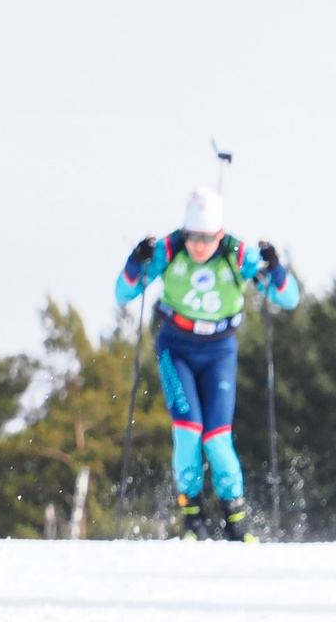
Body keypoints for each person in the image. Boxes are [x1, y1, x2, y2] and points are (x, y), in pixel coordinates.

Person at [115, 188, 301, 541]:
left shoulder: (236, 254)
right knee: (188, 430)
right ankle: (193, 520)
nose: (198, 246)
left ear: (220, 233)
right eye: (193, 237)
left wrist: (275, 269)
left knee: (217, 439)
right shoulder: (169, 250)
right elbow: (123, 294)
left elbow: (288, 299)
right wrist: (135, 262)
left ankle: (236, 522)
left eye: (206, 238)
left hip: (219, 351)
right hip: (177, 348)